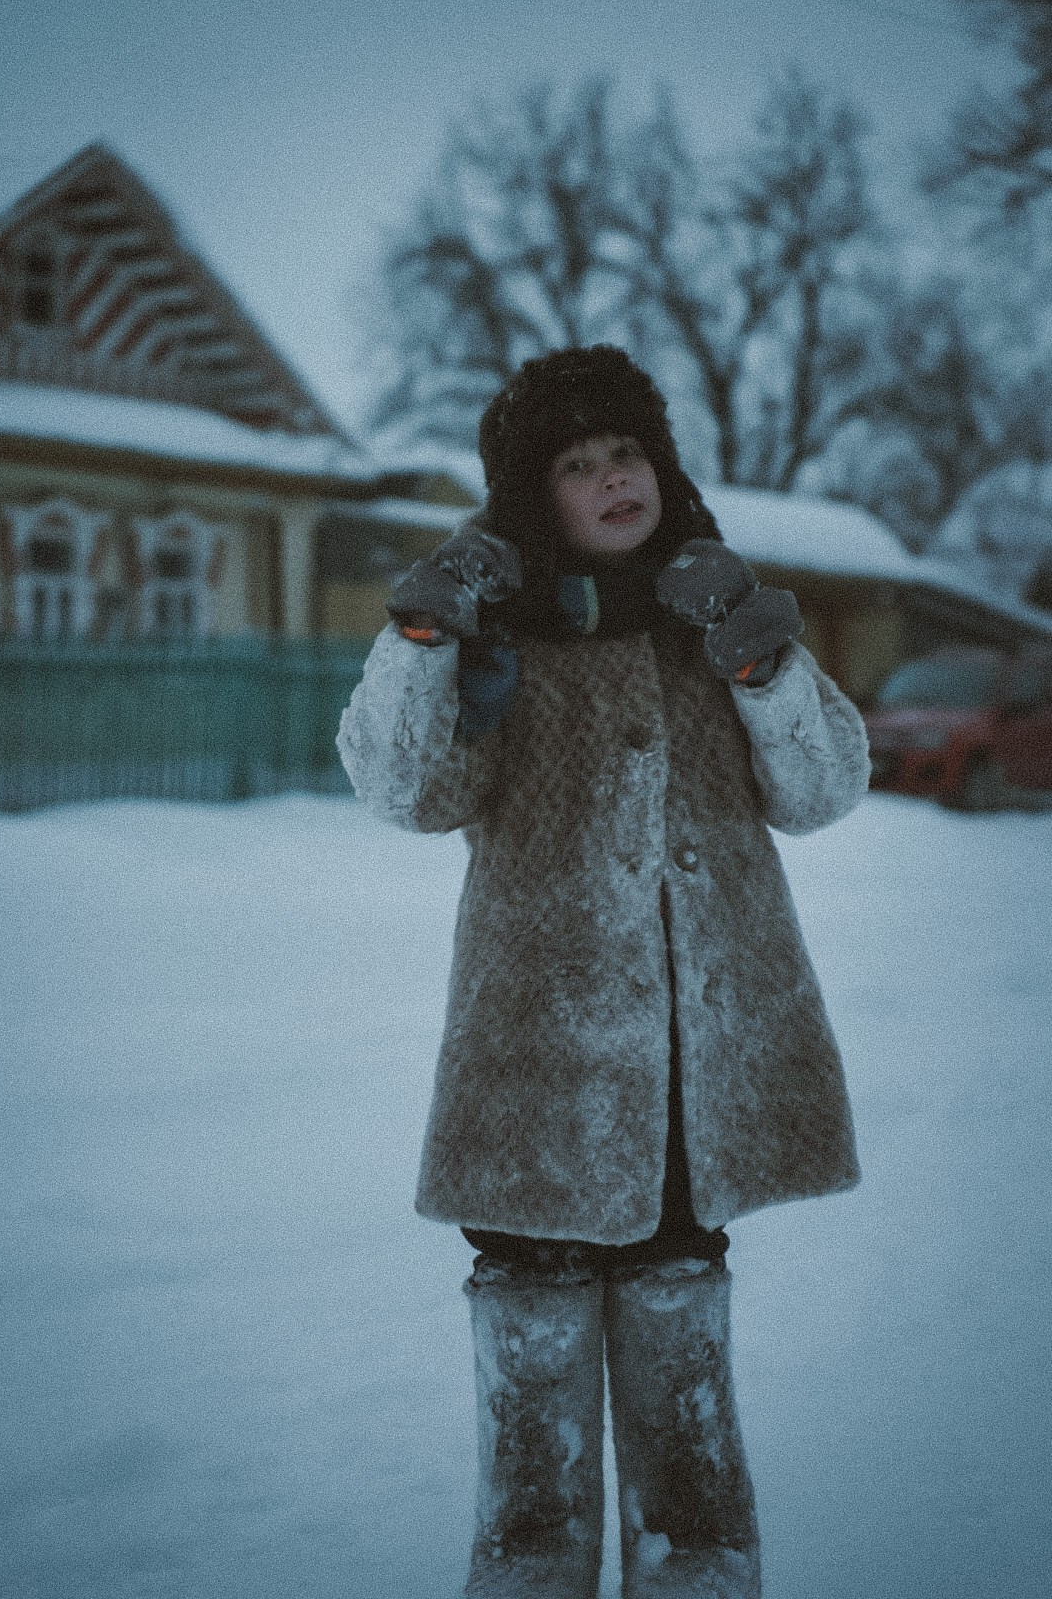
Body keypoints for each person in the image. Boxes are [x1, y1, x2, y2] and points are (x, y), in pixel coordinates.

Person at [337, 345, 869, 1599]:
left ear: (661, 465)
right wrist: (426, 634)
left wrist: (763, 662)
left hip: (697, 1080)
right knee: (535, 1450)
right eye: (574, 465)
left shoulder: (716, 624)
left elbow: (826, 786)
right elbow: (403, 789)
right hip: (535, 1084)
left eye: (625, 450)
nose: (610, 477)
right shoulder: (496, 643)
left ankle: (701, 1571)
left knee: (687, 1422)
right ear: (536, 501)